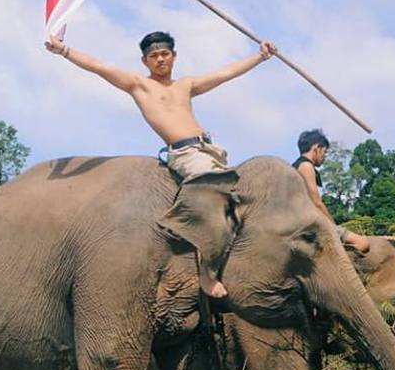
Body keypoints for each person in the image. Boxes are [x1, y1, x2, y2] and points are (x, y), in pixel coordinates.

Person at [45, 29, 276, 297]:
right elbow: (99, 67)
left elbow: (225, 74)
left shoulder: (185, 85)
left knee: (244, 201)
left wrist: (260, 56)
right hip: (186, 155)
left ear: (174, 56)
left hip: (211, 150)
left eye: (165, 54)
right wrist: (64, 50)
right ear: (145, 61)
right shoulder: (139, 85)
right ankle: (206, 273)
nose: (160, 59)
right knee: (208, 194)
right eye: (154, 56)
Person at [292, 129, 370, 253]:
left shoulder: (297, 165)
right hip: (309, 224)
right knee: (363, 243)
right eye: (325, 152)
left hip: (303, 222)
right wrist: (333, 227)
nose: (325, 156)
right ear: (316, 148)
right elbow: (316, 203)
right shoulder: (306, 167)